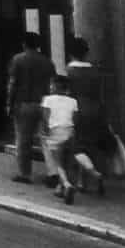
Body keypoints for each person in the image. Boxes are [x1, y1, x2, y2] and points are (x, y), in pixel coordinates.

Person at [66, 36, 114, 195]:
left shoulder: (70, 71)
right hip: (97, 110)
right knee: (91, 145)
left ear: (71, 53)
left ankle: (93, 175)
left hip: (79, 110)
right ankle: (82, 181)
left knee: (77, 147)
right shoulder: (95, 71)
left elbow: (70, 94)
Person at [6, 32, 56, 184]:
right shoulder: (47, 61)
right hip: (44, 104)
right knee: (47, 140)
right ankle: (53, 172)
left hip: (24, 104)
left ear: (24, 44)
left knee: (23, 140)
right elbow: (52, 84)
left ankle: (25, 173)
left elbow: (13, 83)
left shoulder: (18, 59)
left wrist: (9, 103)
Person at [40, 76, 78, 204]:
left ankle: (67, 185)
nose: (50, 87)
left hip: (55, 132)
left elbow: (45, 118)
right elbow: (75, 119)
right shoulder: (73, 101)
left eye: (51, 85)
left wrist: (45, 133)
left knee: (58, 163)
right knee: (67, 162)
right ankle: (60, 188)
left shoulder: (48, 100)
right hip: (70, 131)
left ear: (55, 86)